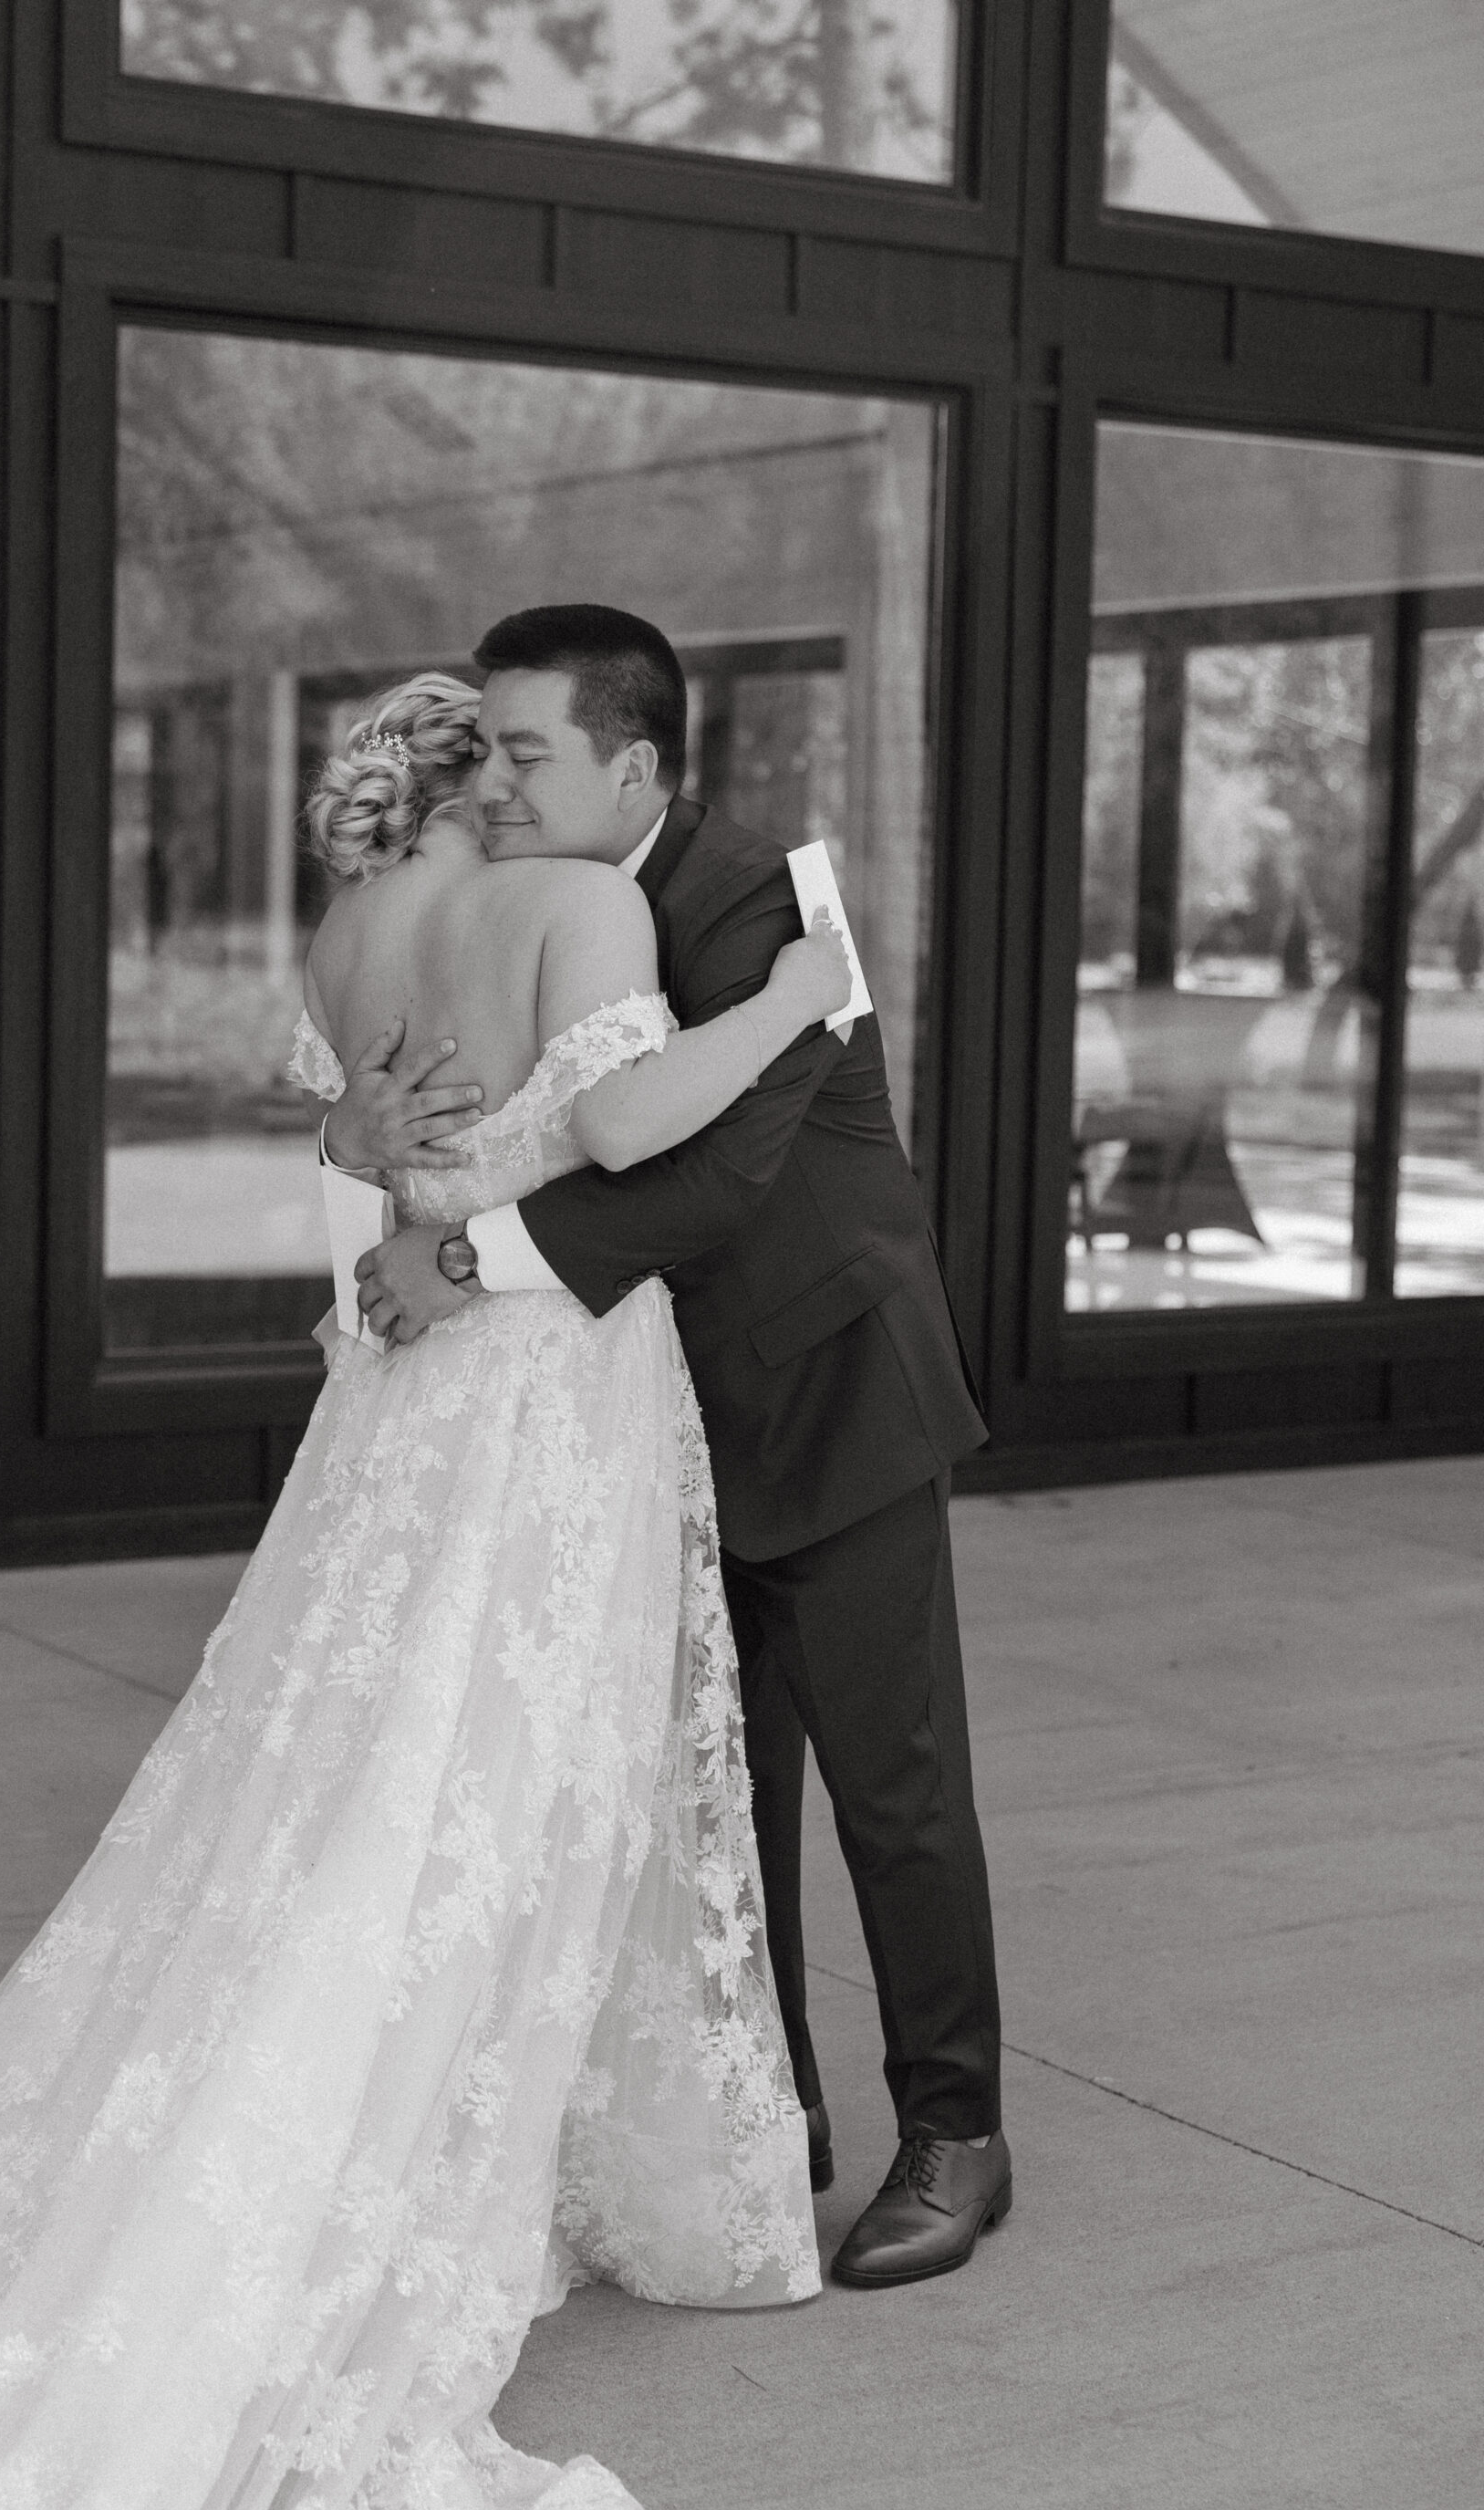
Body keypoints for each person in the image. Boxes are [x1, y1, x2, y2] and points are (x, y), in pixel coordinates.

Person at [0, 672, 855, 2510]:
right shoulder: (575, 909)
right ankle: (420, 2138)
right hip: (542, 1392)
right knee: (509, 1777)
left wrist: (362, 1143)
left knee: (345, 1761)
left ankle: (389, 2102)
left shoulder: (348, 934)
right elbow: (627, 1128)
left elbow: (360, 1147)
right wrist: (799, 998)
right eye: (515, 754)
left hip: (393, 1390)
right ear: (493, 779)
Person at [349, 606, 1010, 2292]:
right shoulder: (537, 901)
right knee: (719, 1807)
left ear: (633, 764)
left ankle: (960, 2134)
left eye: (525, 754)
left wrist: (456, 1258)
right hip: (645, 1424)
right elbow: (428, 1081)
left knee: (894, 1790)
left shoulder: (771, 908)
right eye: (481, 750)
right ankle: (766, 2122)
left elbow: (698, 1179)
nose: (489, 783)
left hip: (828, 1400)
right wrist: (359, 1135)